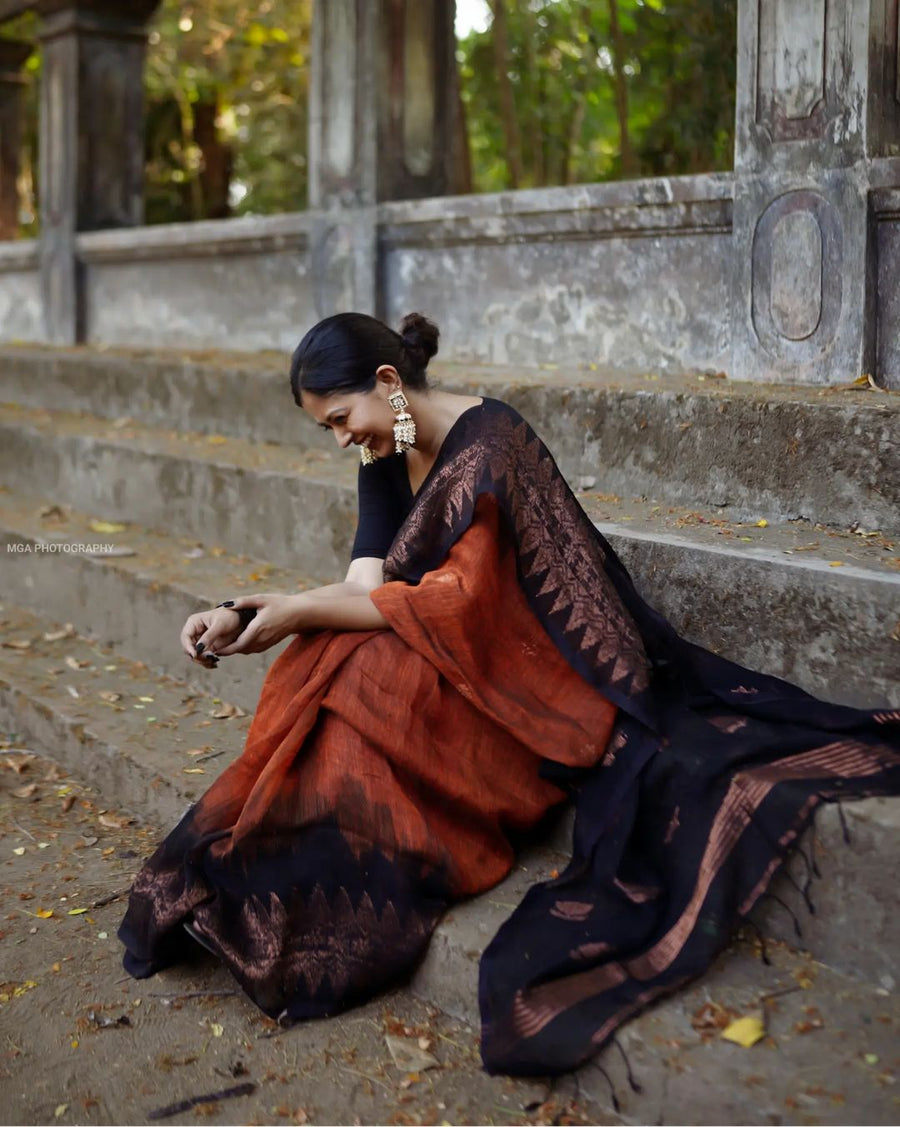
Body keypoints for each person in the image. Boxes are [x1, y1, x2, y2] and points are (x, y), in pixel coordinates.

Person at [119, 312, 900, 1077]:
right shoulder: (384, 450)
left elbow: (463, 602)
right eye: (326, 427)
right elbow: (365, 587)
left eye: (339, 418)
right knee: (327, 654)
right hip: (454, 658)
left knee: (357, 667)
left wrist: (295, 610)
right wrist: (245, 610)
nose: (340, 439)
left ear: (388, 383)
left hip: (537, 682)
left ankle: (350, 892)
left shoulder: (490, 445)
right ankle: (288, 871)